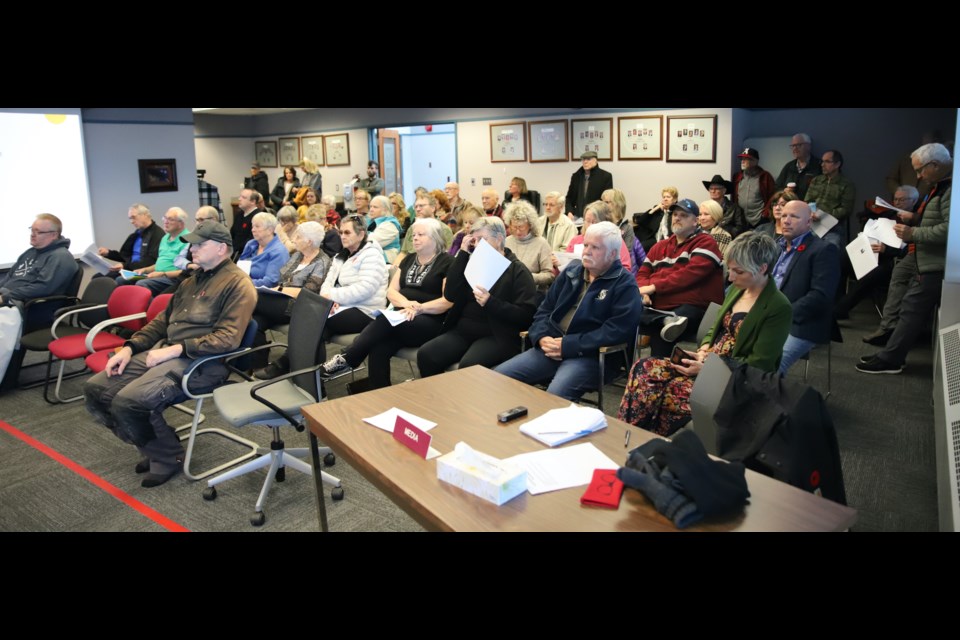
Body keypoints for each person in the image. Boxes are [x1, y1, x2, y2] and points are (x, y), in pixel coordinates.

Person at [83, 222, 256, 487]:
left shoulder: (238, 285)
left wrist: (175, 349)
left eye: (200, 244)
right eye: (192, 244)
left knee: (129, 402)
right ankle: (153, 444)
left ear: (221, 248)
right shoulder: (191, 281)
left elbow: (227, 339)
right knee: (96, 389)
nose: (192, 249)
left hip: (203, 364)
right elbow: (161, 323)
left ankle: (167, 456)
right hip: (169, 354)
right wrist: (130, 348)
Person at [618, 232, 791, 437]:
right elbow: (715, 329)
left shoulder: (778, 307)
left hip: (732, 380)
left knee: (657, 391)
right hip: (709, 362)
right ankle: (630, 436)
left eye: (738, 271)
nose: (731, 277)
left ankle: (628, 437)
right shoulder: (739, 289)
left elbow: (759, 365)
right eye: (731, 270)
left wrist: (707, 368)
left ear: (762, 269)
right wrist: (703, 349)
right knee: (643, 367)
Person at [494, 221, 643, 402]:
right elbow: (544, 309)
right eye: (586, 245)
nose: (586, 251)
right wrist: (541, 336)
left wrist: (569, 346)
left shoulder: (624, 284)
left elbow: (616, 331)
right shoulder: (572, 271)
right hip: (552, 346)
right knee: (499, 377)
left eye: (595, 247)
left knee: (556, 395)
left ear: (613, 254)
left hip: (591, 356)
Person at [320, 218, 456, 389]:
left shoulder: (448, 262)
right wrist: (407, 304)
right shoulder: (408, 260)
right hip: (401, 320)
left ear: (436, 238)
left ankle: (349, 357)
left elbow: (447, 301)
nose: (414, 238)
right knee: (378, 346)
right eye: (413, 235)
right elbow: (391, 292)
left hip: (430, 321)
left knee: (384, 320)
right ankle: (380, 392)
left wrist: (420, 308)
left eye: (421, 235)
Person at [857, 143, 951, 374]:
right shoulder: (940, 186)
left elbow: (952, 230)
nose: (918, 176)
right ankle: (891, 356)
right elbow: (938, 220)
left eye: (920, 170)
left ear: (935, 165)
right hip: (928, 260)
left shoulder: (950, 189)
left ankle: (891, 359)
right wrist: (916, 218)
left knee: (911, 310)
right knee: (910, 308)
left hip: (936, 264)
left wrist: (913, 233)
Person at [417, 216, 537, 376]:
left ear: (499, 239)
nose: (478, 245)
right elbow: (450, 294)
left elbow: (526, 315)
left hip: (495, 334)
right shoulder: (471, 263)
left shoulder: (517, 270)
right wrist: (463, 253)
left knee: (469, 366)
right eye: (475, 240)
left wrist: (491, 302)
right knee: (427, 354)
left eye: (483, 239)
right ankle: (439, 398)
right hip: (463, 330)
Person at [635, 198, 724, 358]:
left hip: (693, 309)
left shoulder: (706, 242)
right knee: (628, 311)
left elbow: (689, 275)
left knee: (668, 327)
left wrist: (654, 287)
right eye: (675, 214)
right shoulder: (659, 246)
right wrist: (645, 292)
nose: (676, 218)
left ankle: (657, 374)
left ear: (695, 221)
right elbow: (642, 274)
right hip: (660, 307)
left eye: (683, 215)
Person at [0, 214, 79, 380]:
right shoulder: (30, 252)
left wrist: (6, 296)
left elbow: (43, 288)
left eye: (38, 231)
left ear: (53, 235)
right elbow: (11, 277)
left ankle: (5, 377)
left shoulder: (60, 257)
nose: (33, 234)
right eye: (32, 229)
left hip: (36, 309)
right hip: (15, 301)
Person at [251, 221, 332, 377]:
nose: (294, 238)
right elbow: (281, 278)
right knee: (254, 321)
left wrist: (279, 289)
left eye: (298, 236)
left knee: (254, 298)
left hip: (299, 307)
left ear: (309, 241)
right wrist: (277, 289)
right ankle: (258, 367)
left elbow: (308, 293)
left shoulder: (322, 262)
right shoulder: (297, 255)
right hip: (278, 301)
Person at [773, 200, 840, 374]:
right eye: (784, 216)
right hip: (770, 317)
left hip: (802, 322)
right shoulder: (776, 247)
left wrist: (782, 315)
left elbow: (820, 296)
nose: (786, 221)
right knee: (736, 353)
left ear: (809, 222)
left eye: (794, 216)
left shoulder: (824, 250)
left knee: (770, 364)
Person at [838, 186, 919, 323]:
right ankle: (833, 302)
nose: (897, 203)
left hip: (895, 261)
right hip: (873, 253)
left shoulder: (918, 221)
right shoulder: (891, 214)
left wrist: (886, 250)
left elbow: (910, 251)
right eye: (895, 199)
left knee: (871, 275)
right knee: (841, 261)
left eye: (902, 200)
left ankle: (840, 309)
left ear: (914, 201)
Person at [318, 215, 389, 340]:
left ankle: (293, 359)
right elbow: (327, 282)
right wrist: (330, 300)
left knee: (318, 321)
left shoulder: (372, 255)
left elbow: (364, 289)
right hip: (343, 306)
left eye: (347, 233)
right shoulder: (340, 256)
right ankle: (299, 358)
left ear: (361, 235)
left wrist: (332, 296)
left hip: (366, 310)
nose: (342, 236)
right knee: (314, 323)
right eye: (340, 232)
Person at [126, 207, 190, 295]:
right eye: (165, 218)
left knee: (142, 284)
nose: (165, 222)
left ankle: (153, 308)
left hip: (173, 278)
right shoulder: (165, 238)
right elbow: (160, 263)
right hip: (158, 275)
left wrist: (162, 274)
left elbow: (187, 270)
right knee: (123, 280)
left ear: (181, 223)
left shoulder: (188, 239)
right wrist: (144, 270)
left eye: (170, 219)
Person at [804, 149, 857, 251]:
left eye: (827, 162)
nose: (822, 165)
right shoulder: (816, 180)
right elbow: (808, 201)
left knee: (830, 250)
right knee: (802, 247)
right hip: (811, 223)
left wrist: (823, 215)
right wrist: (813, 213)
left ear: (837, 164)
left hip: (832, 227)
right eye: (822, 161)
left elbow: (846, 209)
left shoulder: (847, 184)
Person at [97, 204, 165, 276]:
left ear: (145, 215)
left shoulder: (157, 234)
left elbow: (150, 261)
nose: (131, 221)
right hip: (130, 269)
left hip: (142, 272)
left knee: (116, 279)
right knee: (98, 277)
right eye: (130, 218)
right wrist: (108, 253)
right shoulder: (136, 234)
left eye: (133, 217)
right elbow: (125, 257)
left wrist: (125, 266)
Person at [504, 201, 555, 293]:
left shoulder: (541, 243)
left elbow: (549, 275)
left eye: (521, 227)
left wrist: (527, 277)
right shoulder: (506, 241)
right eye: (514, 227)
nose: (518, 232)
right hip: (509, 290)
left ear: (530, 225)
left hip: (532, 292)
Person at [566, 201, 632, 271]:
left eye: (594, 222)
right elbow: (565, 266)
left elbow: (625, 269)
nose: (590, 225)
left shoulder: (615, 241)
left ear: (605, 222)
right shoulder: (575, 240)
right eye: (587, 221)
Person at [394, 192, 454, 266]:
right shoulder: (412, 228)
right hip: (409, 266)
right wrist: (395, 267)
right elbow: (403, 253)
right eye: (416, 207)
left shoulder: (443, 229)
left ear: (432, 208)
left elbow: (446, 256)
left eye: (421, 206)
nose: (418, 209)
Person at [237, 211, 289, 288]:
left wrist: (242, 284)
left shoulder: (279, 251)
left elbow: (271, 281)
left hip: (262, 293)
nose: (253, 230)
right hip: (242, 286)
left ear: (270, 230)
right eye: (252, 226)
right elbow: (240, 266)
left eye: (257, 226)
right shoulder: (251, 244)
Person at [602, 188, 645, 276]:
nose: (602, 205)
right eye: (602, 202)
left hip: (621, 271)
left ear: (617, 205)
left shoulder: (627, 228)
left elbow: (625, 256)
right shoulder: (600, 224)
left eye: (606, 202)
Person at [733, 148, 776, 229]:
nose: (743, 161)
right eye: (742, 159)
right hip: (741, 221)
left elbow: (773, 197)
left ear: (755, 161)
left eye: (747, 159)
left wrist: (765, 214)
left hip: (760, 220)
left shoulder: (765, 177)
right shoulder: (737, 177)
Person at [565, 151, 613, 220]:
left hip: (597, 217)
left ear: (596, 161)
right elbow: (569, 198)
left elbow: (607, 202)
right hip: (577, 217)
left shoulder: (605, 177)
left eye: (588, 159)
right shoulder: (576, 176)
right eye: (583, 159)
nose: (585, 162)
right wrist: (569, 212)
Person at [775, 133, 822, 200]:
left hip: (810, 207)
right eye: (793, 146)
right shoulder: (789, 166)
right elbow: (777, 187)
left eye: (799, 145)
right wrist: (784, 191)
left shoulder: (819, 165)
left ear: (808, 146)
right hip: (789, 206)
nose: (795, 148)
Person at [634, 187, 676, 251]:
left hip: (670, 239)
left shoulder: (677, 212)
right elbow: (640, 221)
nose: (665, 199)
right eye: (664, 197)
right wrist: (655, 209)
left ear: (674, 199)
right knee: (641, 246)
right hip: (656, 239)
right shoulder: (658, 211)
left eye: (668, 197)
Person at [368, 194, 403, 263]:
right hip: (376, 259)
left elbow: (370, 243)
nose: (371, 210)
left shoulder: (390, 225)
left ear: (385, 209)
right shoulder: (373, 222)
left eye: (375, 207)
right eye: (370, 207)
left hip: (387, 262)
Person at [231, 188, 264, 254]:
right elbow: (232, 234)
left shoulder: (259, 217)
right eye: (240, 196)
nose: (239, 199)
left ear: (253, 201)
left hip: (248, 254)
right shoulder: (239, 214)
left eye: (243, 197)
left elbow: (253, 241)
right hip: (234, 252)